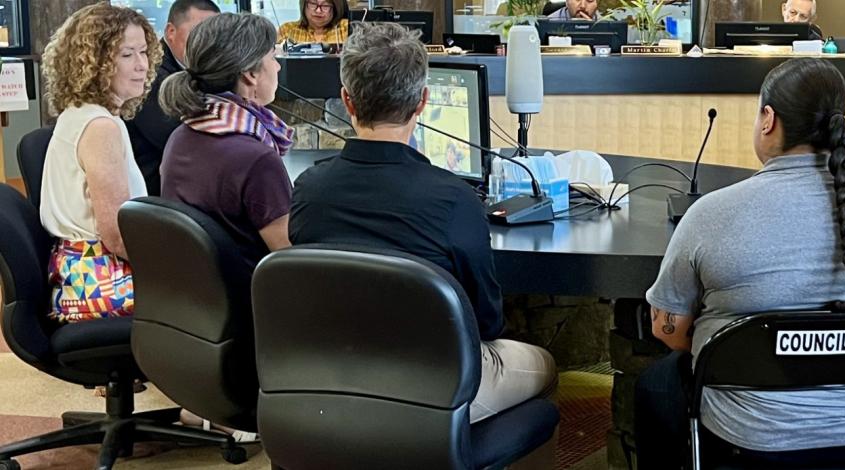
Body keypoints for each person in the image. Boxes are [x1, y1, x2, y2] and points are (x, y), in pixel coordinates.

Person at [634, 58, 845, 468]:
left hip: (744, 433)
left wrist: (738, 351)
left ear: (768, 119)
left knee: (655, 384)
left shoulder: (711, 214)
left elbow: (668, 330)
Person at [290, 23, 557, 423]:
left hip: (335, 374)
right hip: (440, 384)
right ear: (422, 102)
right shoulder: (454, 200)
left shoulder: (308, 190)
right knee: (547, 365)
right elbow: (487, 321)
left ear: (347, 100)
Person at [39, 3, 160, 323]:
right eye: (127, 55)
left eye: (144, 52)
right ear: (94, 63)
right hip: (101, 282)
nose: (142, 66)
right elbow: (116, 235)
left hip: (80, 275)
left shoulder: (86, 114)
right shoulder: (100, 127)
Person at [158, 12, 292, 271]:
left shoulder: (181, 136)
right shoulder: (256, 159)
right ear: (251, 74)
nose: (278, 66)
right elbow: (292, 259)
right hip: (252, 299)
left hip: (198, 296)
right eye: (273, 57)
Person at [124, 0, 220, 196]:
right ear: (170, 32)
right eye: (198, 34)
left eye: (214, 36)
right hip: (155, 196)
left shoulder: (194, 69)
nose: (206, 44)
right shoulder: (149, 75)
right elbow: (187, 143)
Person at [278, 0, 349, 44]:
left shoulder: (346, 28)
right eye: (313, 4)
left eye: (325, 6)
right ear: (304, 5)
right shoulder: (287, 30)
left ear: (335, 8)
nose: (318, 10)